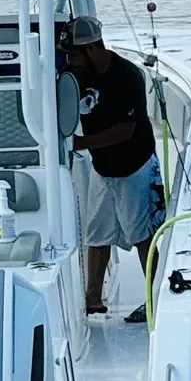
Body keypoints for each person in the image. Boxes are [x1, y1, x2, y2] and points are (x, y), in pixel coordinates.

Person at [59, 16, 165, 323]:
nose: (69, 61)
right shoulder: (73, 75)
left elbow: (125, 131)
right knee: (97, 231)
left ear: (92, 49)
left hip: (135, 166)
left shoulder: (128, 76)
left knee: (142, 233)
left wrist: (79, 143)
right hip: (102, 168)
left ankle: (152, 298)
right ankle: (93, 298)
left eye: (74, 55)